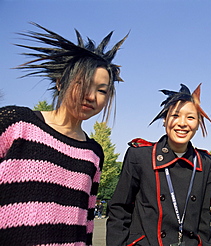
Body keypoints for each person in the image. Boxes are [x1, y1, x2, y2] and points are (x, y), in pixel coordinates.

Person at [0, 22, 128, 246]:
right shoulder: (16, 123)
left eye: (101, 90)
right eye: (83, 84)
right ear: (60, 82)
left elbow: (87, 219)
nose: (91, 96)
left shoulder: (94, 152)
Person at [107, 84, 211, 246]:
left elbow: (204, 218)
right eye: (175, 116)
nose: (182, 123)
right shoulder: (140, 156)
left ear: (198, 124)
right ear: (165, 120)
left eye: (191, 117)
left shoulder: (205, 163)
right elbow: (119, 210)